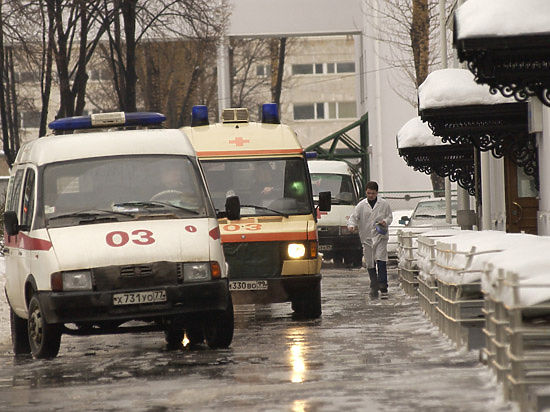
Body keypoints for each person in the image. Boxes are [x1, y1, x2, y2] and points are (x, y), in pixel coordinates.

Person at [347, 181, 393, 299]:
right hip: (366, 237)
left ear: (377, 193)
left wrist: (385, 222)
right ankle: (374, 284)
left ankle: (383, 285)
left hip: (380, 236)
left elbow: (390, 217)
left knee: (381, 259)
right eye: (368, 193)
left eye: (373, 193)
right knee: (369, 262)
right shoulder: (361, 205)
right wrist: (351, 226)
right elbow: (354, 218)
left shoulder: (384, 204)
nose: (370, 195)